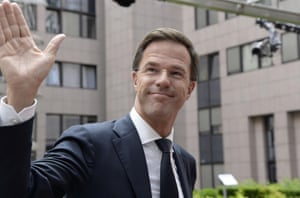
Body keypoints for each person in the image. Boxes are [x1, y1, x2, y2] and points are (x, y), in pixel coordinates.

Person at [0, 1, 198, 197]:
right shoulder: (89, 144)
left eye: (176, 73)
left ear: (190, 88)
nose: (163, 81)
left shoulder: (185, 162)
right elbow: (22, 191)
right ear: (135, 80)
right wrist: (21, 93)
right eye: (152, 69)